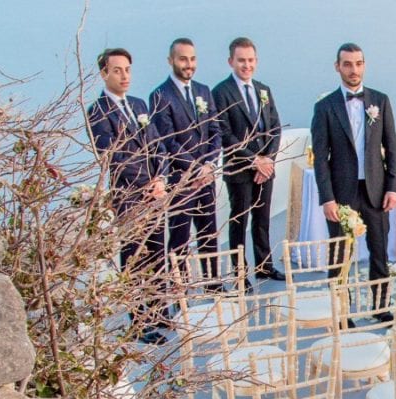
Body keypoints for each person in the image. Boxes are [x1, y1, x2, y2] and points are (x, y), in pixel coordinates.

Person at [311, 42, 396, 321]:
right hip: (341, 194)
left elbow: (392, 148)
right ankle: (341, 312)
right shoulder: (324, 108)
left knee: (379, 251)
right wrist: (327, 198)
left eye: (358, 63)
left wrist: (393, 187)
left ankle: (380, 307)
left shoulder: (380, 101)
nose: (354, 70)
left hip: (375, 190)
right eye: (347, 64)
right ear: (337, 67)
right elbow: (320, 158)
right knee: (340, 255)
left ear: (364, 65)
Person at [87, 47, 169, 345]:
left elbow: (158, 145)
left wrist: (160, 178)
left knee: (158, 253)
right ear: (104, 73)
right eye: (117, 70)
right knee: (134, 259)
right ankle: (138, 321)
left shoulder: (139, 104)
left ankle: (159, 311)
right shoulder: (97, 111)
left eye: (128, 70)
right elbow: (113, 155)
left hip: (155, 194)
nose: (124, 76)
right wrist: (145, 183)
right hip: (129, 198)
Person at [213, 37, 284, 281]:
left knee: (262, 219)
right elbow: (225, 134)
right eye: (241, 60)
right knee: (239, 220)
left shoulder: (264, 90)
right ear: (231, 61)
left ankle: (264, 265)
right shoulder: (221, 92)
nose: (246, 65)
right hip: (239, 169)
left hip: (265, 168)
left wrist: (268, 160)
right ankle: (239, 271)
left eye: (250, 60)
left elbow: (274, 127)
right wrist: (254, 160)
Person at [150, 37, 221, 281]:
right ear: (171, 60)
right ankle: (183, 288)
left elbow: (215, 132)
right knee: (180, 237)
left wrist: (210, 164)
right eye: (183, 59)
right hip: (181, 181)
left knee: (209, 233)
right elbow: (168, 141)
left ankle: (212, 284)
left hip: (207, 179)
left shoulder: (203, 91)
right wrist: (195, 168)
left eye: (192, 59)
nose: (188, 64)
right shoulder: (160, 95)